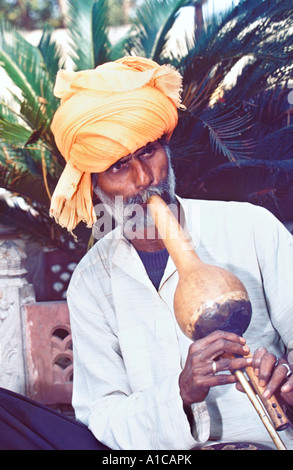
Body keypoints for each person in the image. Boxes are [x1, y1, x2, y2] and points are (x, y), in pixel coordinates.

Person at [0, 56, 292, 450]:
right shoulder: (91, 280)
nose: (144, 180)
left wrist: (288, 381)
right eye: (119, 166)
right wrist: (182, 392)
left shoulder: (250, 229)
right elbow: (104, 415)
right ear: (94, 185)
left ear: (166, 151)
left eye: (148, 152)